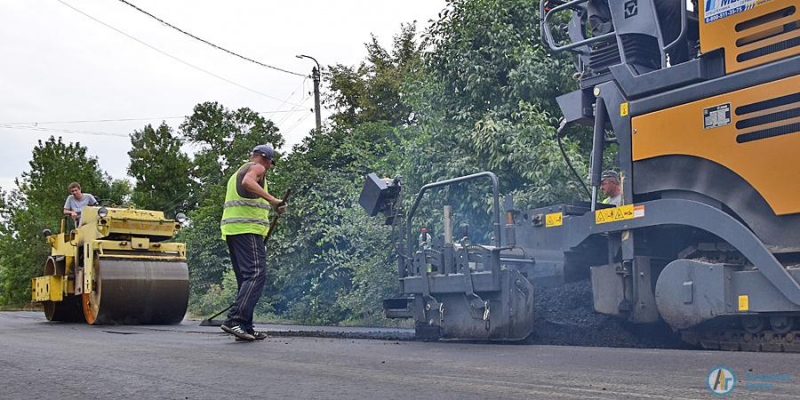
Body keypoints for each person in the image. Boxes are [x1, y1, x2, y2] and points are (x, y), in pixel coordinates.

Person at [220, 144, 286, 342]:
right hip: (247, 230)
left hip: (233, 231)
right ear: (266, 159)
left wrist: (272, 207)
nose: (269, 167)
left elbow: (248, 195)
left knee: (246, 279)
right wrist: (273, 200)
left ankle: (245, 326)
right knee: (256, 273)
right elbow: (249, 182)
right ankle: (235, 320)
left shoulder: (236, 173)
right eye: (270, 163)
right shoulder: (257, 168)